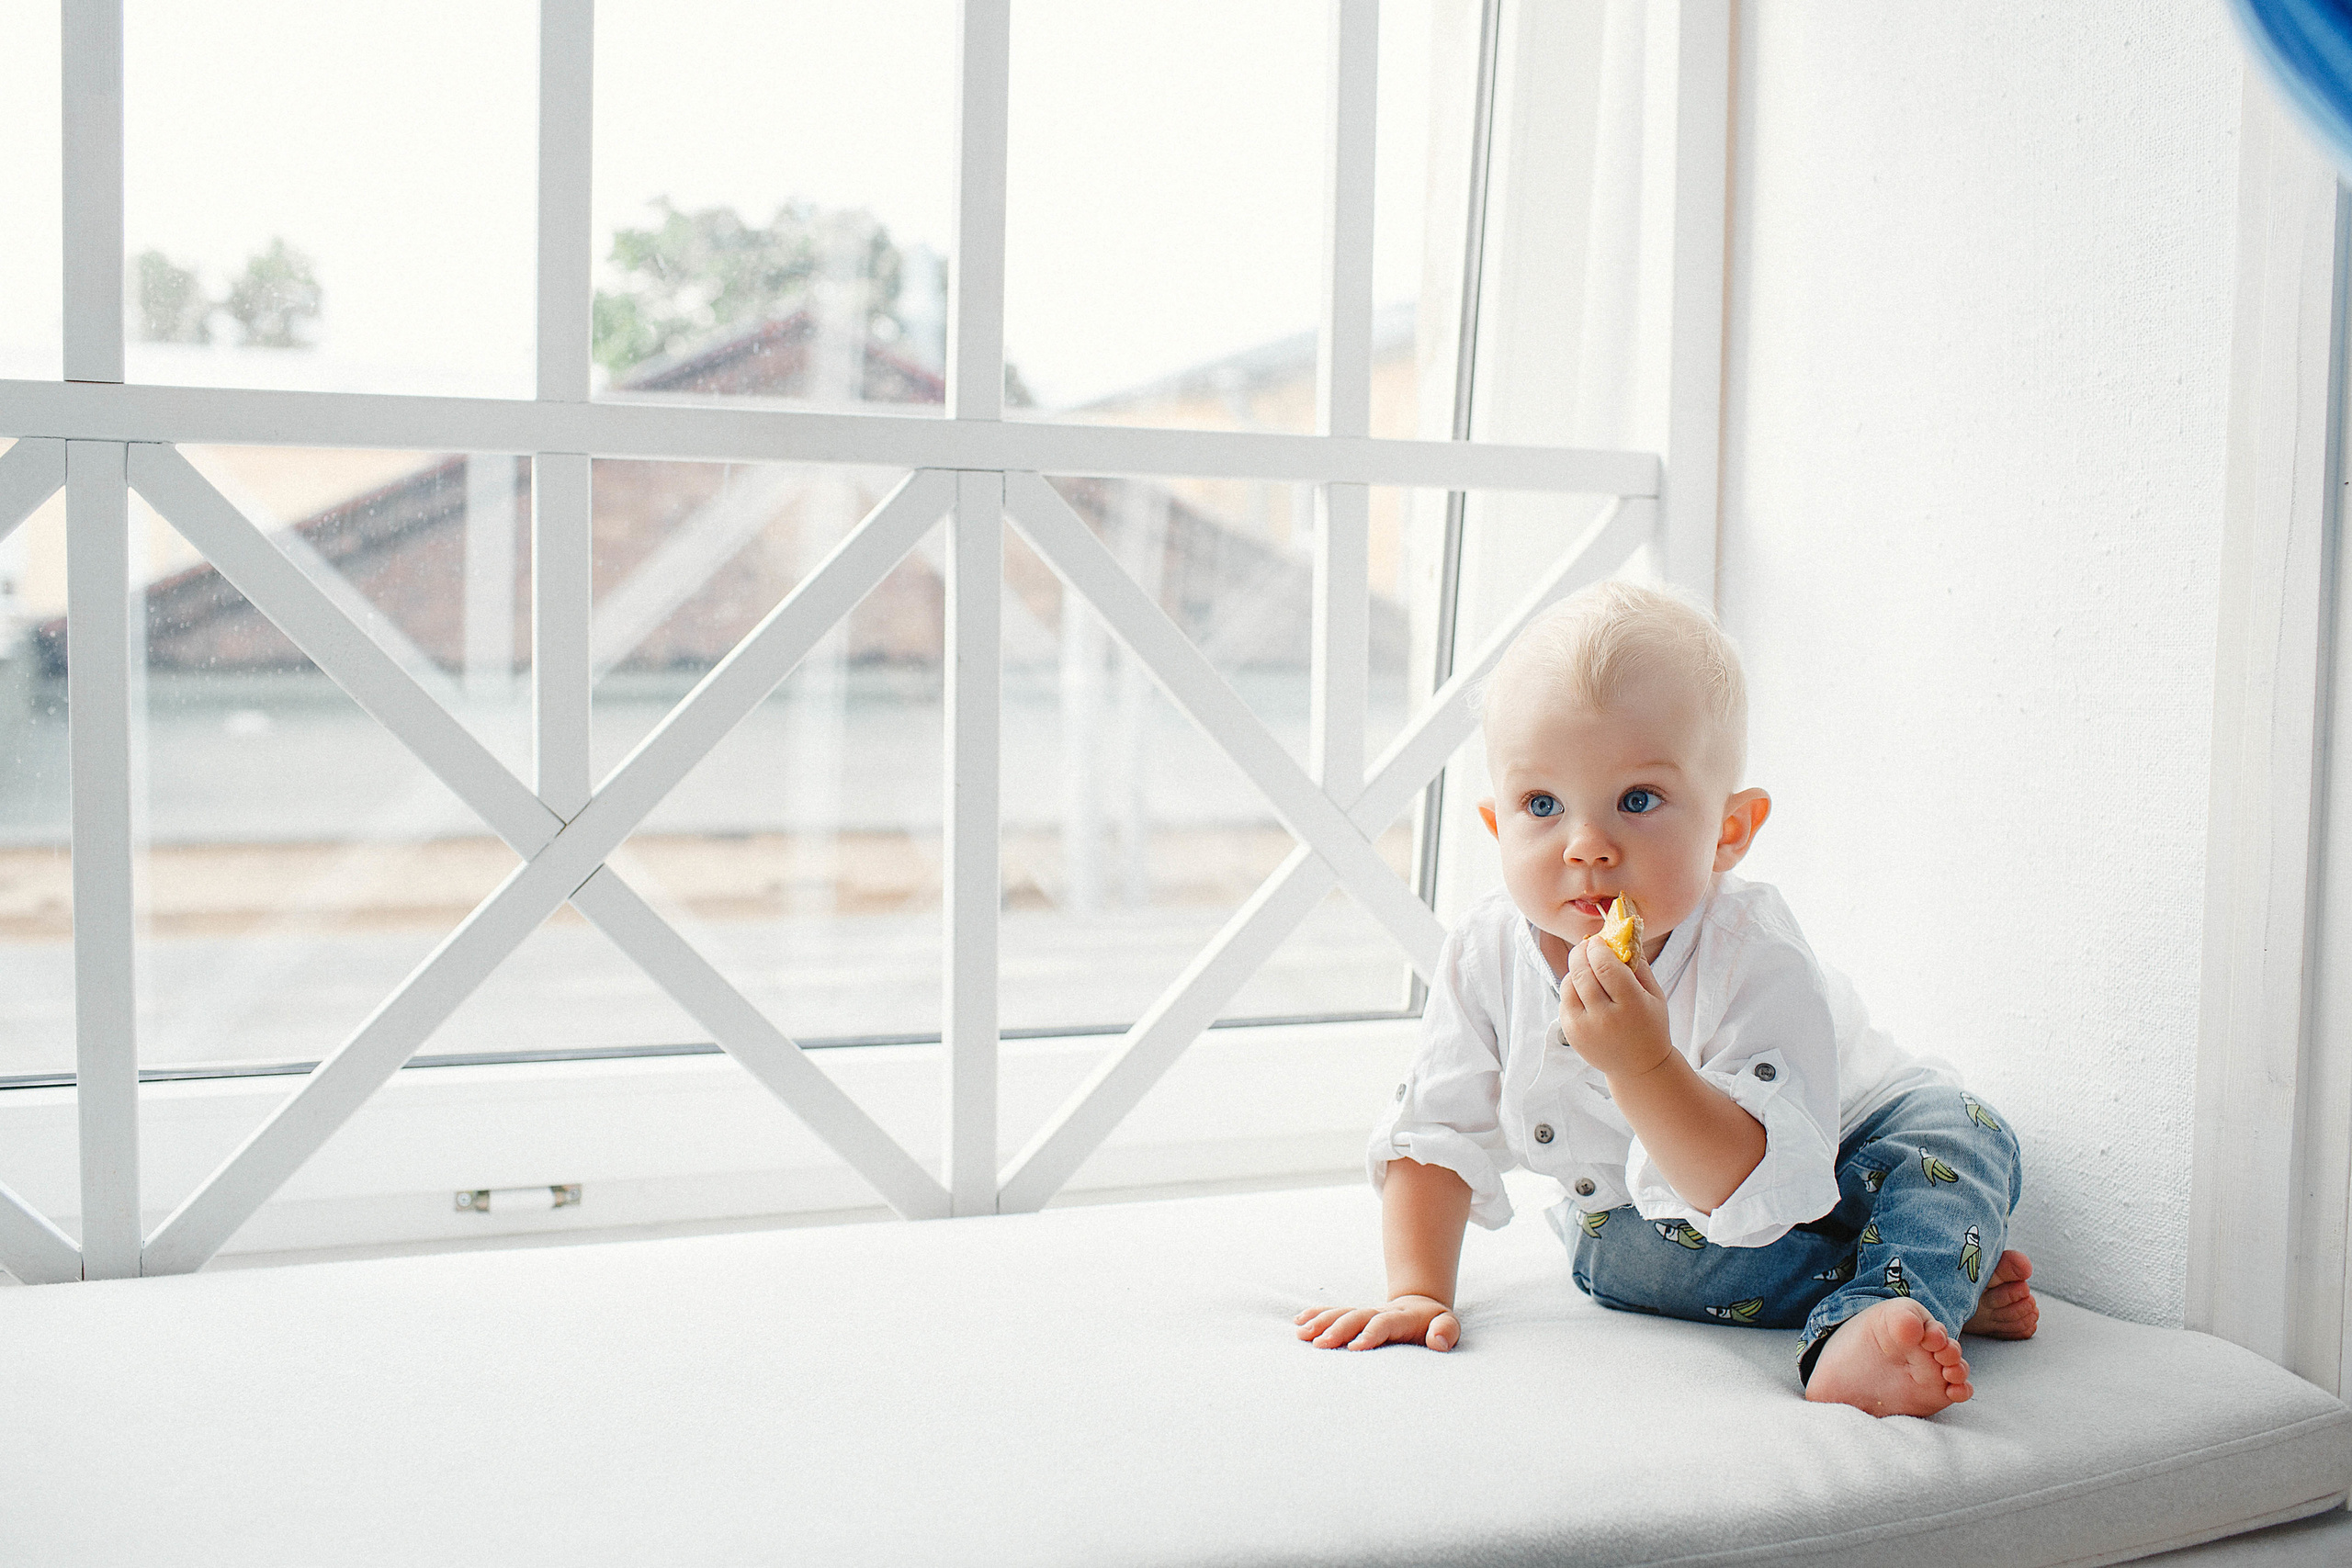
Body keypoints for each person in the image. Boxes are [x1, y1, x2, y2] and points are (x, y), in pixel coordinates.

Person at [1294, 579, 2039, 1416]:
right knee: (1611, 1263)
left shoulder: (1753, 946)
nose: (1587, 845)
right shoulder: (1485, 952)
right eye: (1542, 804)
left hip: (1846, 1137)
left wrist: (1642, 1064)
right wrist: (1418, 1292)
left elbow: (1750, 1171)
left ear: (1729, 831)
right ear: (1498, 825)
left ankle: (1868, 1322)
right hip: (1665, 1219)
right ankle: (1928, 1271)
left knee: (1971, 1135)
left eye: (1637, 800)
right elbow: (1436, 1131)